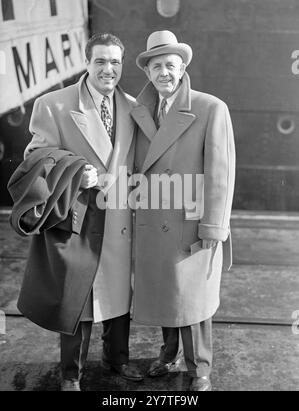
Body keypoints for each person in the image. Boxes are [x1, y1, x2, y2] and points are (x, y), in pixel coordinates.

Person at [17, 33, 143, 390]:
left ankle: (117, 359)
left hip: (118, 218)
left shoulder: (133, 107)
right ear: (86, 63)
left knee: (119, 293)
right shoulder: (53, 104)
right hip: (77, 215)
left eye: (115, 62)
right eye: (100, 61)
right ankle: (71, 373)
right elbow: (35, 157)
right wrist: (74, 168)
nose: (108, 69)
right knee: (78, 296)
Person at [131, 30, 236, 391]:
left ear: (183, 68)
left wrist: (212, 227)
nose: (164, 73)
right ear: (148, 72)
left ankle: (199, 368)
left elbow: (221, 173)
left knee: (193, 300)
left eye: (171, 66)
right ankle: (169, 353)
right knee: (166, 292)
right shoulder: (140, 110)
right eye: (157, 66)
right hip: (152, 217)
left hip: (190, 221)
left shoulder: (210, 108)